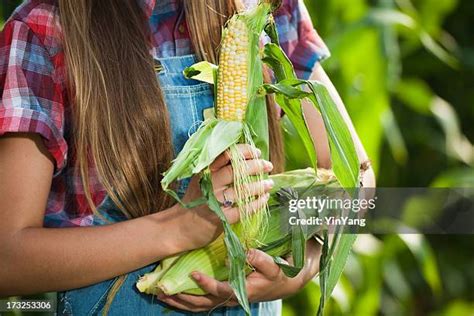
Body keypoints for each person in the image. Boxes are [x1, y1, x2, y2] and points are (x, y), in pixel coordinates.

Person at [0, 0, 375, 314]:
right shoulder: (44, 29)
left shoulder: (262, 8)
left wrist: (301, 267)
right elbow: (8, 258)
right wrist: (178, 229)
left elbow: (356, 179)